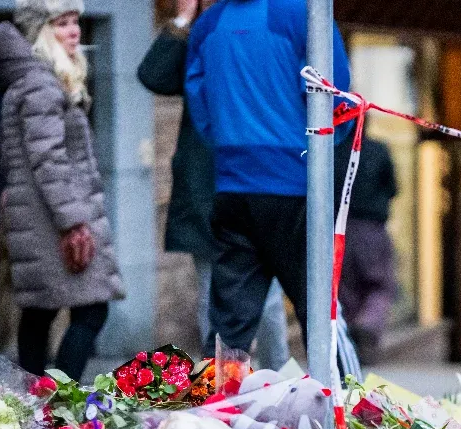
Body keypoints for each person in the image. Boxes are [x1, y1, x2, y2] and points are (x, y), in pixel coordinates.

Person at [185, 0, 359, 377]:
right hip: (294, 185)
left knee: (228, 326)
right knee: (321, 312)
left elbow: (199, 103)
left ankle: (216, 407)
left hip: (233, 183)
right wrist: (319, 149)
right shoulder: (305, 15)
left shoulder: (208, 24)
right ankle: (346, 403)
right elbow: (335, 98)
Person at [137, 0, 290, 369]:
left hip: (257, 184)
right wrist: (182, 20)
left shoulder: (260, 31)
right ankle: (221, 386)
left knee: (268, 303)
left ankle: (280, 380)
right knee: (213, 298)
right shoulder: (199, 38)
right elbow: (154, 75)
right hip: (205, 191)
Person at [0, 0, 124, 380]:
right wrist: (73, 222)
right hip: (52, 221)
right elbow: (49, 159)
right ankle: (59, 398)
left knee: (41, 312)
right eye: (61, 23)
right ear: (41, 34)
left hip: (42, 216)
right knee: (91, 311)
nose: (74, 31)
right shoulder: (41, 86)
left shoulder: (38, 81)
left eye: (75, 21)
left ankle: (36, 398)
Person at [335, 132, 398, 366]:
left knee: (345, 287)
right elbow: (392, 188)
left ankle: (351, 337)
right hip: (371, 228)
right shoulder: (377, 150)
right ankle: (367, 324)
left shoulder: (332, 150)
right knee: (380, 284)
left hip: (338, 228)